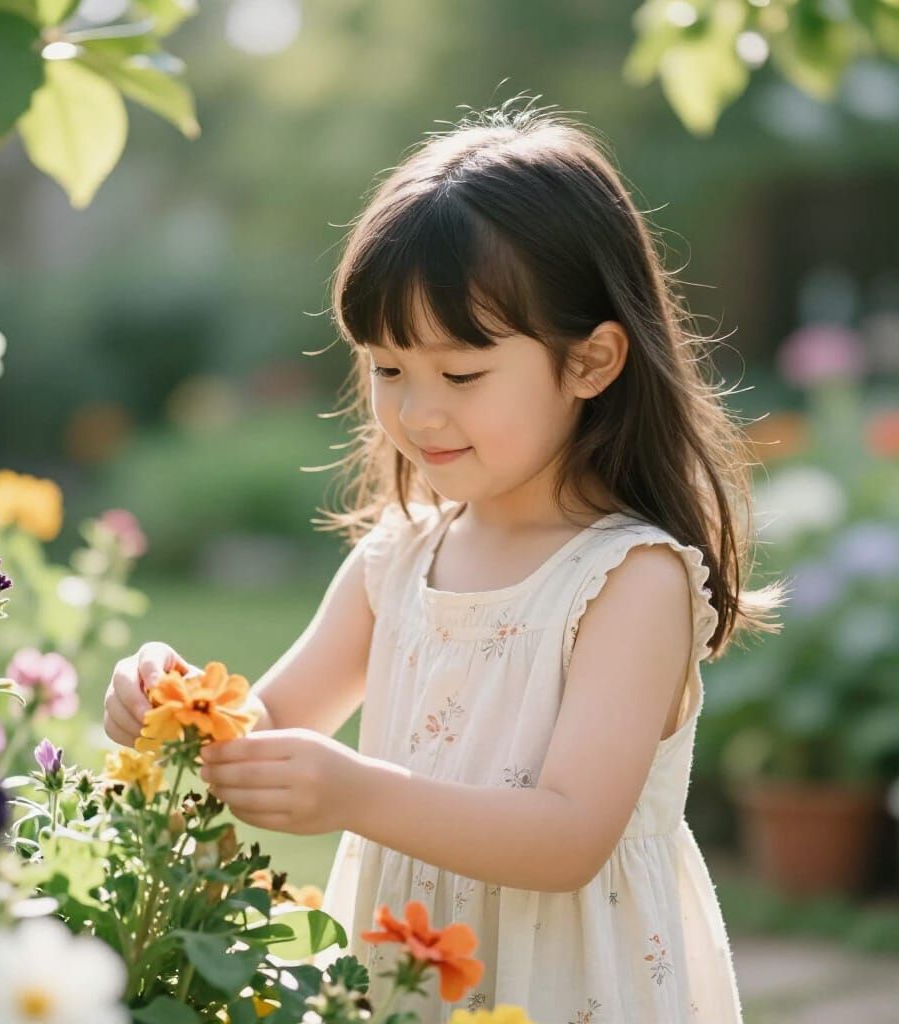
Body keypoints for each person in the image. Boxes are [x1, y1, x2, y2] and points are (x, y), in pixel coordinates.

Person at [103, 97, 786, 1023]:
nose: (417, 412)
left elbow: (570, 837)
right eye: (389, 368)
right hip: (407, 977)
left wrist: (354, 791)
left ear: (590, 362)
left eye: (460, 374)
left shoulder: (630, 581)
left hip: (570, 982)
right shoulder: (401, 559)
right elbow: (263, 725)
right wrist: (175, 709)